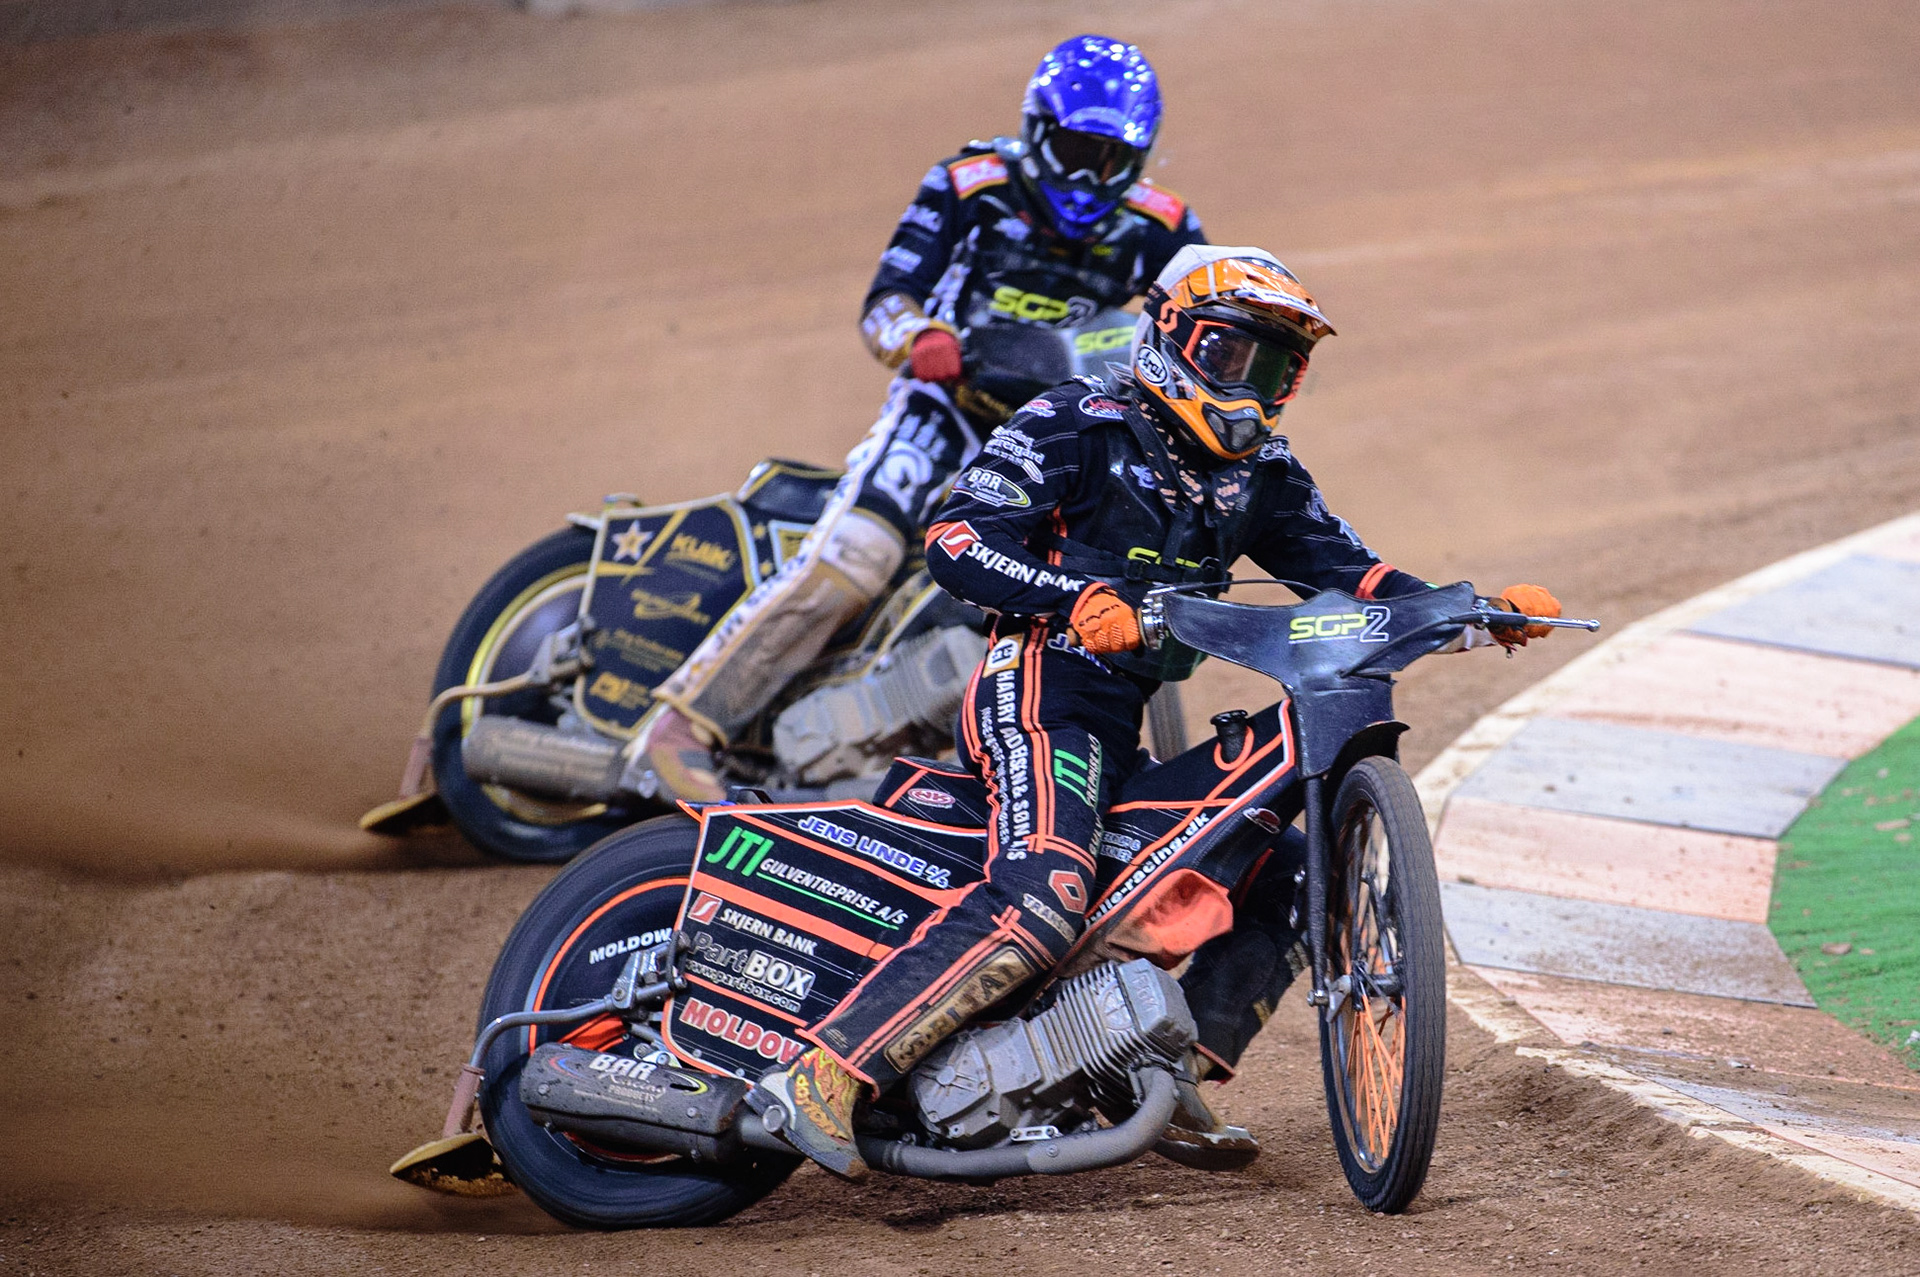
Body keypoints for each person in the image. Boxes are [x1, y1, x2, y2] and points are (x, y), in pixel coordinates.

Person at [760, 245, 1562, 1179]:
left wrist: (1466, 610)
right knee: (1045, 893)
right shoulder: (1075, 420)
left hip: (1118, 726)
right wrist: (1070, 599)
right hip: (1037, 692)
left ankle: (1159, 1072)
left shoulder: (1261, 473)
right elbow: (954, 539)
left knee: (1295, 874)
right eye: (1233, 358)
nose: (1251, 389)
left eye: (1275, 370)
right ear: (1173, 337)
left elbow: (1352, 572)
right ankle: (825, 1068)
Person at [632, 34, 1208, 803]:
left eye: (1109, 160)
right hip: (945, 415)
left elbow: (1198, 334)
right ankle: (677, 732)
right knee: (858, 554)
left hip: (1063, 438)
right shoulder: (970, 186)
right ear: (1038, 130)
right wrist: (918, 336)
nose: (1086, 176)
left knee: (1084, 585)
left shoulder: (1164, 228)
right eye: (1073, 149)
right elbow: (888, 298)